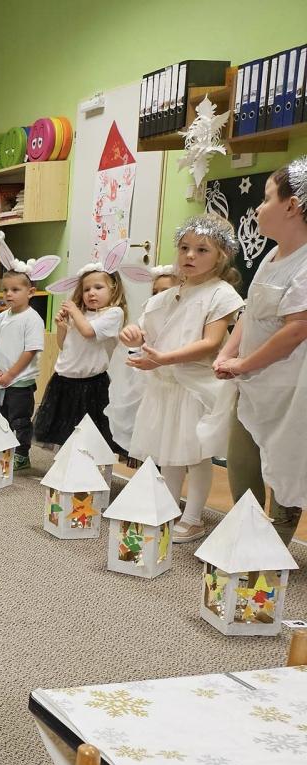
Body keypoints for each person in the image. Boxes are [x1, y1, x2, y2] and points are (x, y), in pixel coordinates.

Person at [122, 214, 243, 542]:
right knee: (169, 452)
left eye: (202, 250)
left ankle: (193, 518)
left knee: (196, 456)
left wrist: (164, 359)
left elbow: (211, 342)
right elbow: (143, 331)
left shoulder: (221, 294)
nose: (190, 255)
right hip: (165, 386)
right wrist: (132, 334)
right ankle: (168, 507)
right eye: (184, 248)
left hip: (194, 387)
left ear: (221, 256)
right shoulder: (166, 296)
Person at [214, 158, 307, 543]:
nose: (258, 207)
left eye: (266, 198)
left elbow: (296, 329)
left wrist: (244, 363)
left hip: (289, 390)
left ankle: (272, 551)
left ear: (292, 206)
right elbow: (251, 312)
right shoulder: (271, 255)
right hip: (253, 383)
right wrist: (228, 353)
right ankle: (247, 538)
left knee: (284, 469)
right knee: (241, 462)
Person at [35, 239, 151, 450]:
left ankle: (89, 463)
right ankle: (66, 462)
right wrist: (62, 327)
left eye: (98, 287)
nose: (91, 293)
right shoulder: (79, 314)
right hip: (64, 379)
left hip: (91, 384)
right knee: (63, 430)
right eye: (86, 289)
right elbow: (64, 346)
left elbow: (89, 332)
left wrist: (73, 310)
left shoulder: (113, 314)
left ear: (113, 289)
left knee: (91, 433)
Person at [0, 240, 61, 469]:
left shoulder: (32, 319)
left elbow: (30, 351)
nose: (9, 294)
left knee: (19, 420)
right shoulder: (1, 317)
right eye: (5, 290)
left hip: (19, 382)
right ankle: (0, 449)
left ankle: (21, 454)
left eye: (15, 290)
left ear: (30, 292)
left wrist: (10, 374)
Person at [107, 265, 180, 460]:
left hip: (174, 382)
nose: (158, 297)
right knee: (145, 424)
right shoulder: (149, 315)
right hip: (147, 381)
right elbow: (138, 343)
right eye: (155, 292)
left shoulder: (183, 317)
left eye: (165, 291)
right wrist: (132, 339)